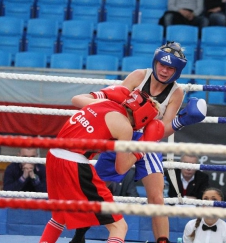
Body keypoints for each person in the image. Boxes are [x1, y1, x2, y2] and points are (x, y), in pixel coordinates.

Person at [70, 41, 207, 243]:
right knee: (98, 188)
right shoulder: (138, 76)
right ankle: (79, 236)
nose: (164, 70)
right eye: (162, 65)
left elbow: (164, 128)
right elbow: (113, 104)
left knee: (156, 198)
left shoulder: (176, 92)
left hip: (148, 140)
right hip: (122, 133)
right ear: (155, 62)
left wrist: (179, 122)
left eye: (170, 68)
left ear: (177, 71)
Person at [39, 87, 165, 243]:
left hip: (53, 156)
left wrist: (100, 93)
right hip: (74, 163)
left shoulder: (103, 101)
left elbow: (76, 98)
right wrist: (143, 148)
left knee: (59, 216)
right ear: (143, 117)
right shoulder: (125, 128)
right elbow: (121, 168)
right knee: (119, 226)